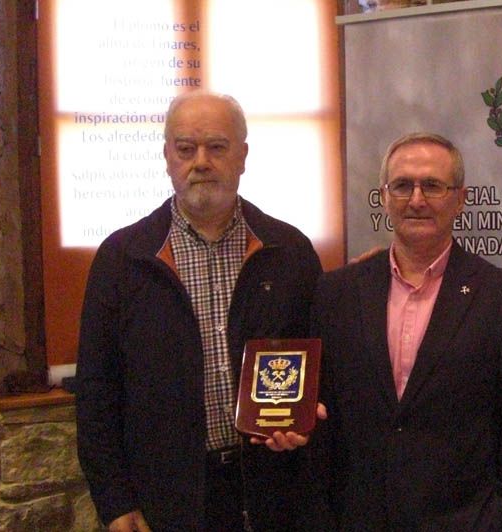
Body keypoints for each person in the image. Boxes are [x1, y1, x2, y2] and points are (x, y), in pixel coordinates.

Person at [75, 91, 323, 532]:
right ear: (168, 157)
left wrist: (305, 425)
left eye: (217, 147)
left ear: (242, 156)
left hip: (272, 493)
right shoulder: (122, 259)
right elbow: (97, 393)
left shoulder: (290, 253)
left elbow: (319, 370)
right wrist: (114, 501)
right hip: (167, 499)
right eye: (186, 149)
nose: (201, 161)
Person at [312, 132, 502, 530]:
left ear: (460, 199)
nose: (416, 199)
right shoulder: (336, 293)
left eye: (432, 185)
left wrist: (496, 517)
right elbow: (326, 414)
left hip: (464, 522)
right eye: (402, 186)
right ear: (383, 197)